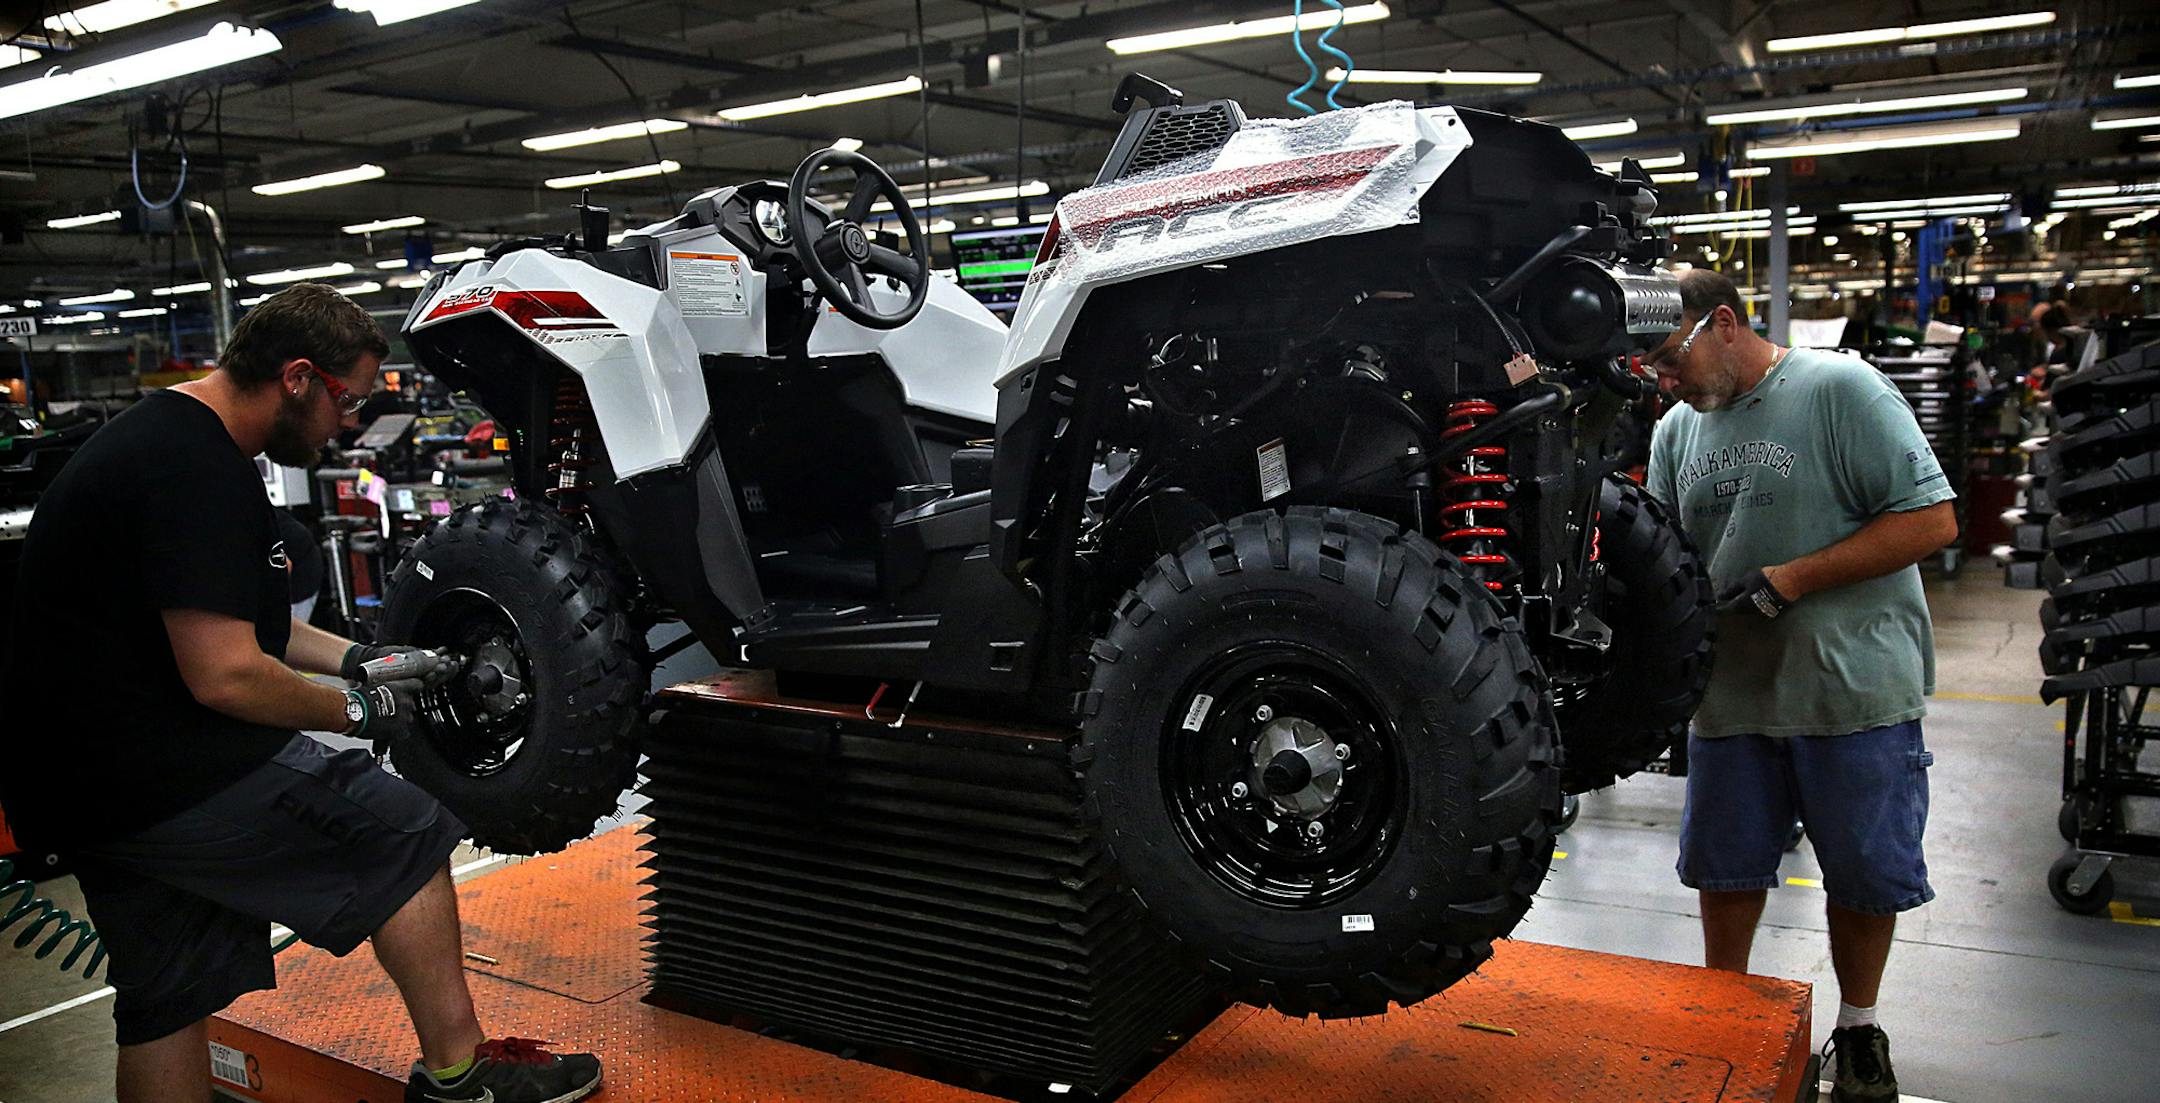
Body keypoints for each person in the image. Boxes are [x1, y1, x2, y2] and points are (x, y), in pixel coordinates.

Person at [0, 285, 602, 1103]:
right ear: (296, 378)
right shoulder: (192, 468)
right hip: (153, 770)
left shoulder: (173, 439)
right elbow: (228, 674)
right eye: (345, 400)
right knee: (409, 832)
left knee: (166, 998)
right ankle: (463, 1077)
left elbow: (257, 630)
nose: (347, 424)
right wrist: (358, 710)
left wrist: (367, 659)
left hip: (80, 784)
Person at [1643, 269, 1958, 1103]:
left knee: (1863, 873)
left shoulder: (1838, 388)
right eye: (1652, 370)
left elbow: (1931, 519)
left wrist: (1794, 578)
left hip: (1850, 692)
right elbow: (1663, 560)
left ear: (1723, 322)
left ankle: (1859, 1028)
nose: (1664, 381)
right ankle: (1727, 1016)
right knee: (1726, 870)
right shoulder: (1677, 430)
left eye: (1669, 359)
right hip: (1732, 699)